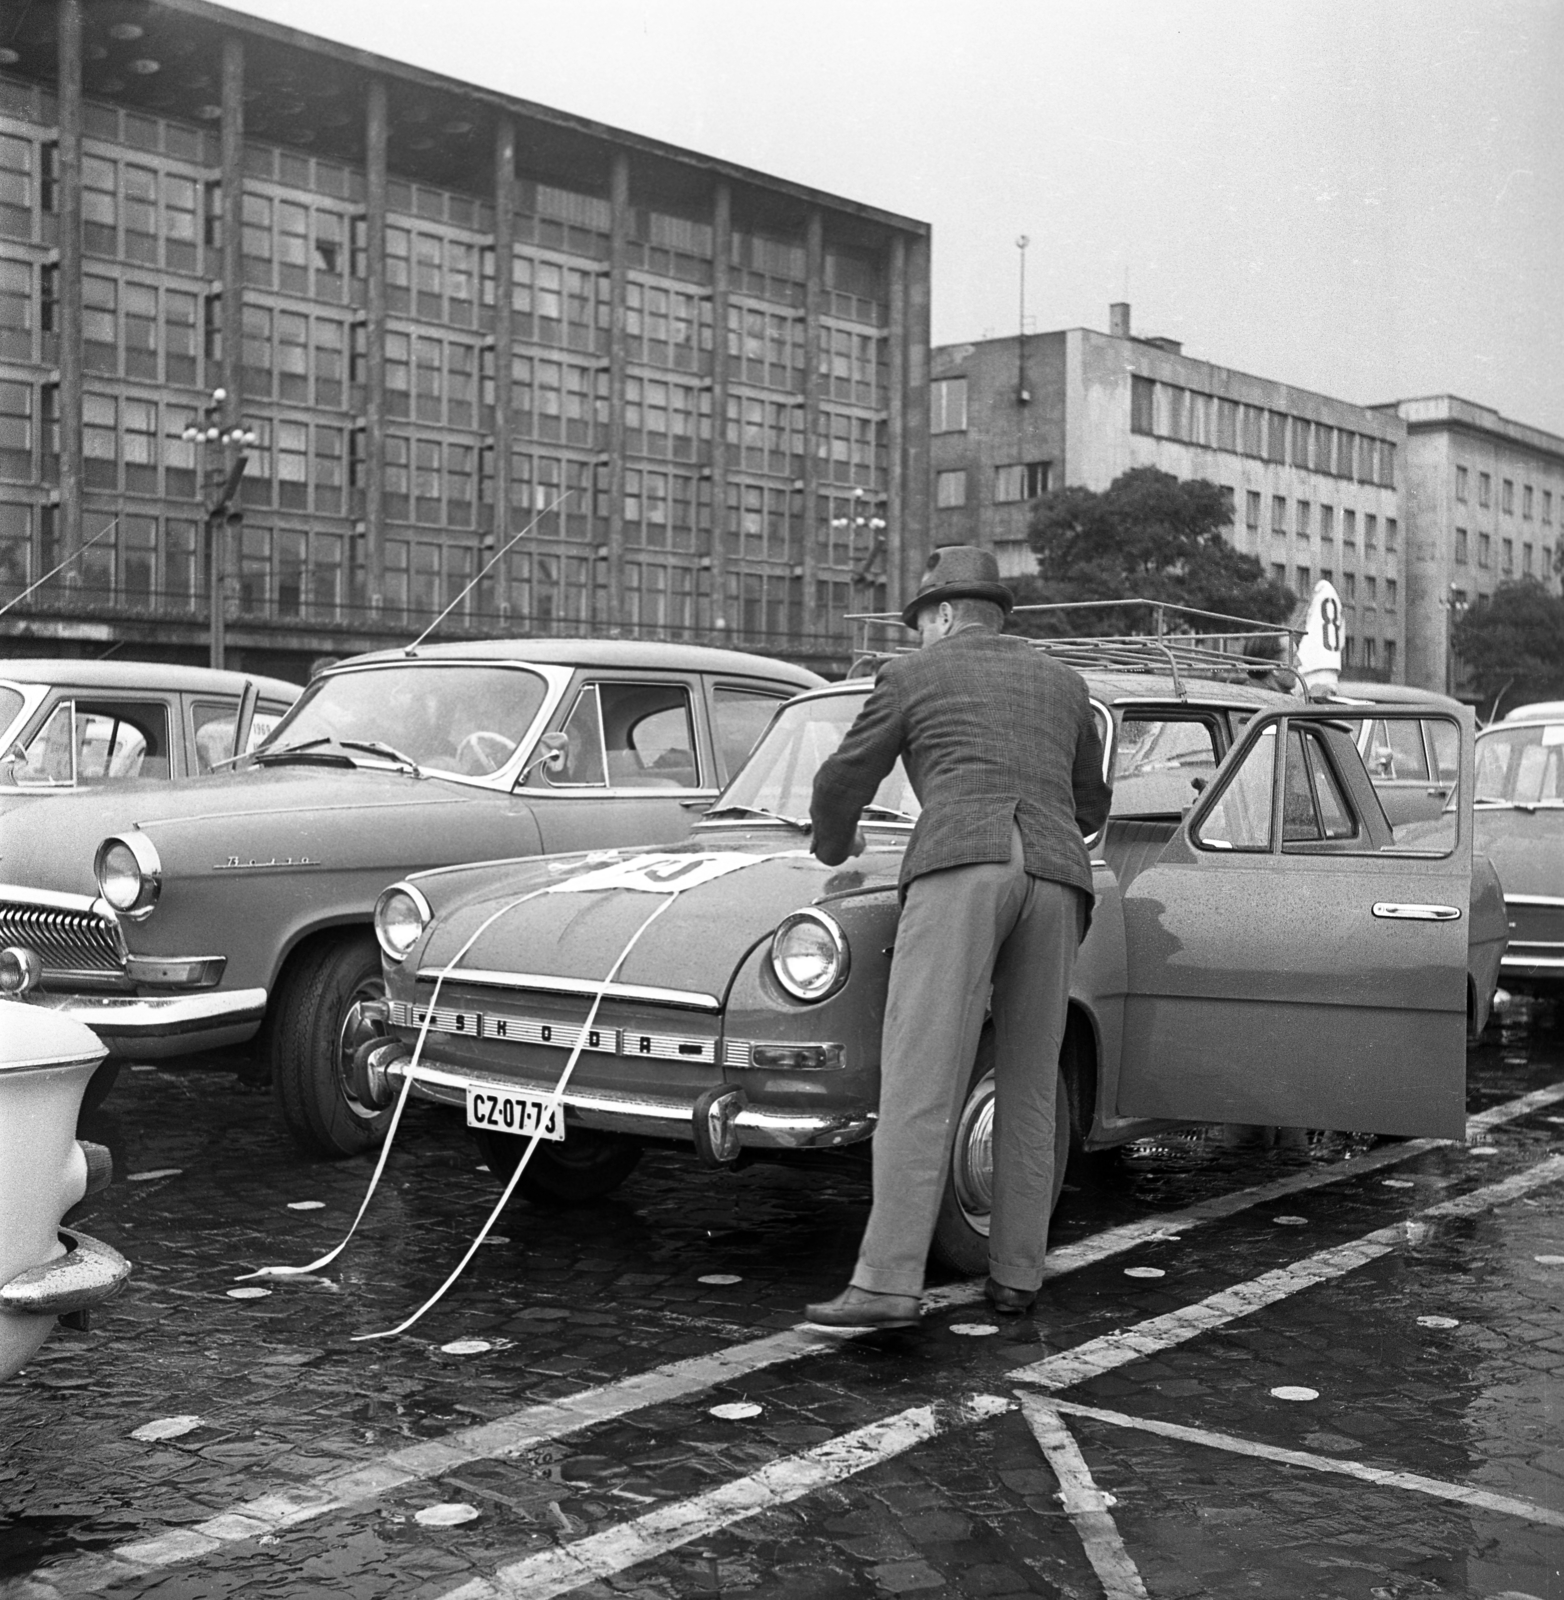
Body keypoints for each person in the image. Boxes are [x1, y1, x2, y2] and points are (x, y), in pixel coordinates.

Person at [804, 546, 1111, 1329]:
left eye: (921, 621)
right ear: (996, 613)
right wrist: (1044, 835)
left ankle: (886, 1283)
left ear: (940, 617)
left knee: (922, 1071)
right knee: (1032, 1079)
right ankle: (1016, 1273)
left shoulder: (912, 675)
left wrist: (833, 847)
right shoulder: (1065, 683)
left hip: (959, 863)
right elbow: (1092, 802)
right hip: (1057, 875)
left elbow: (844, 778)